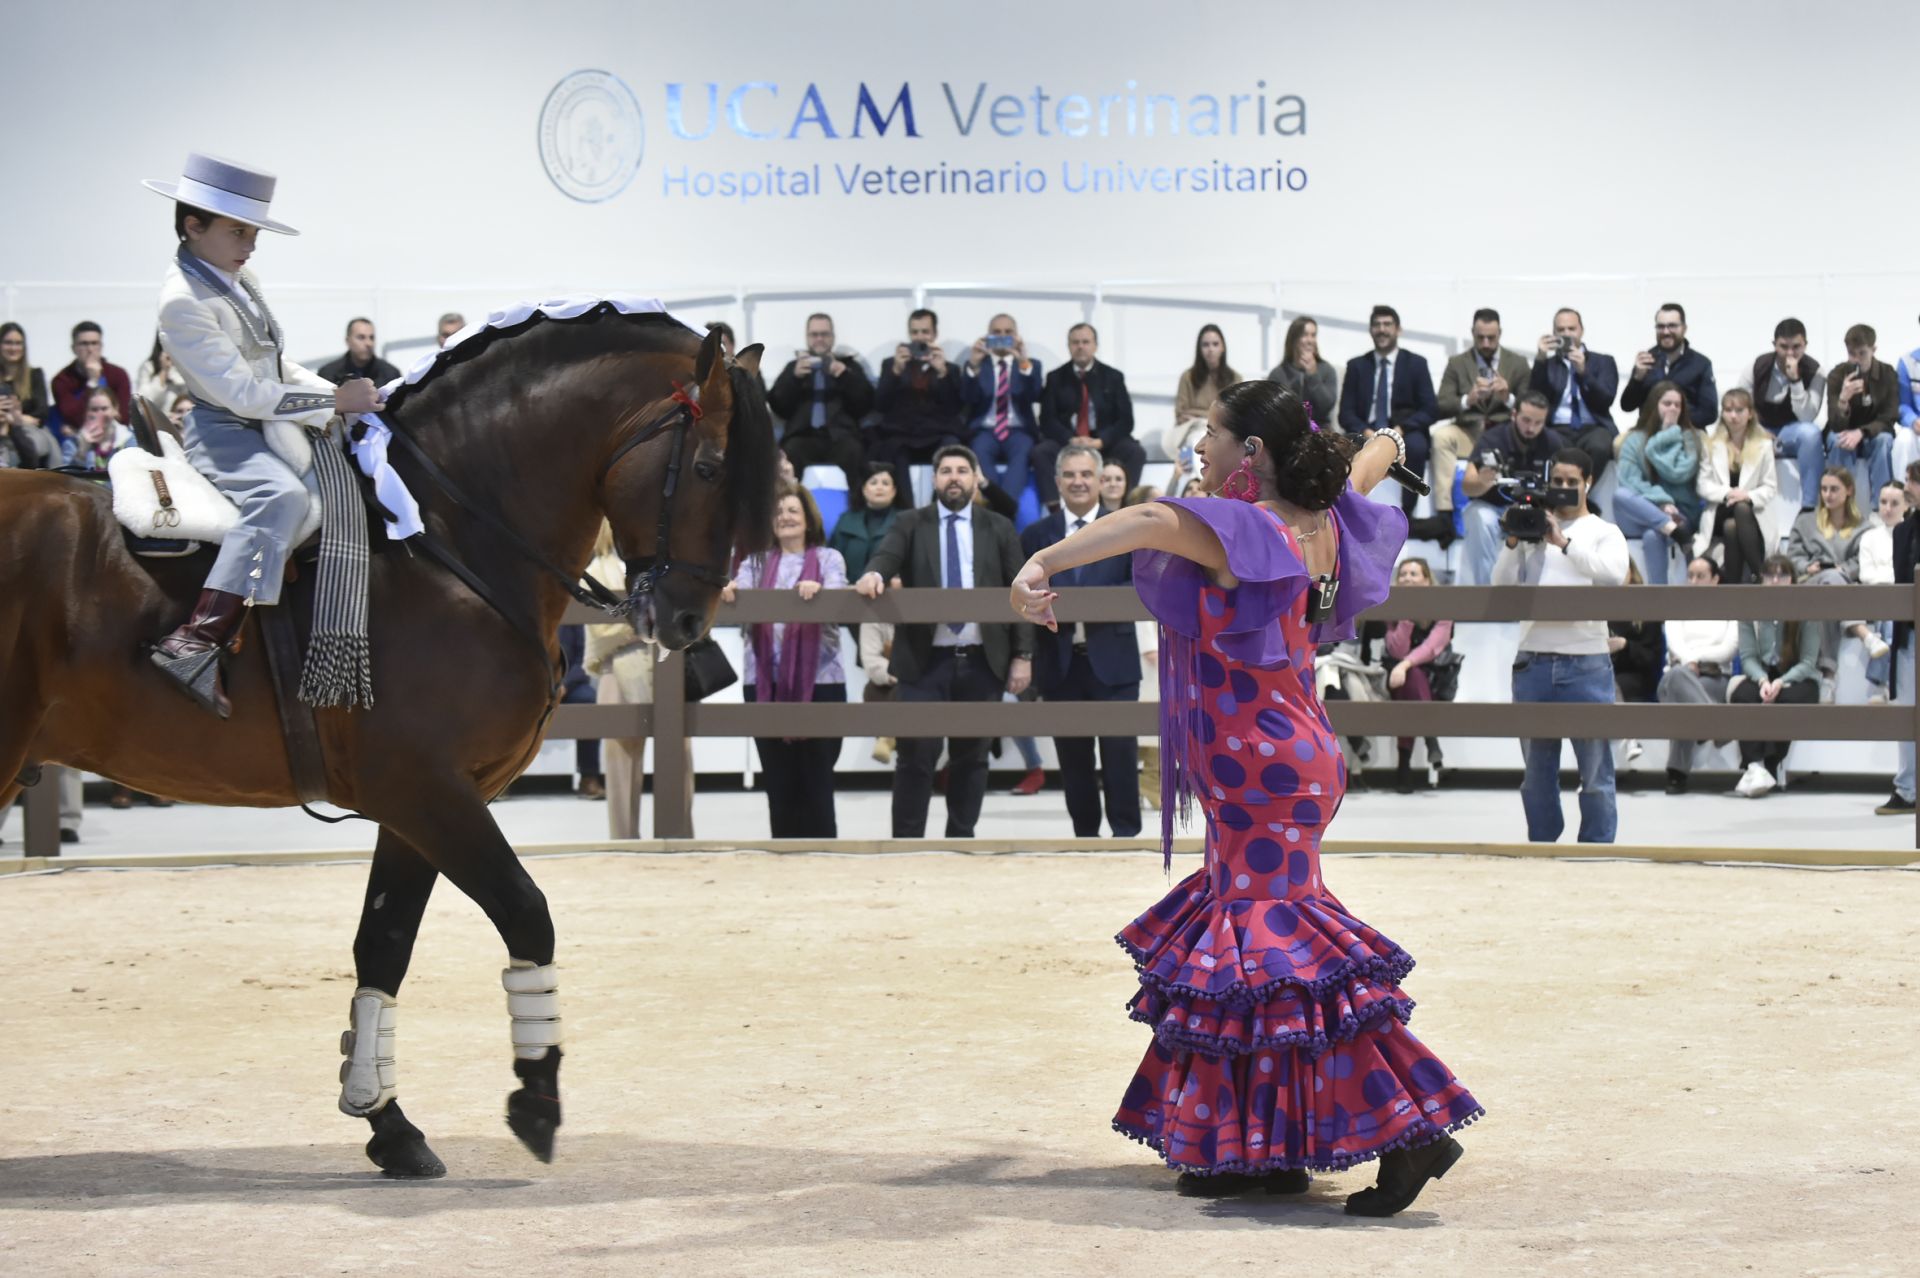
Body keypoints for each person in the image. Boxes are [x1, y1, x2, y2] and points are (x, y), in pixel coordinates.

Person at [1010, 380, 1481, 1216]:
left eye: (1213, 434)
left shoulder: (1252, 527)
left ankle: (1412, 1130)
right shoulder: (1322, 516)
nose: (1200, 447)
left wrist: (1040, 561)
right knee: (1253, 959)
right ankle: (1261, 1151)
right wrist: (1392, 444)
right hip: (1292, 756)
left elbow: (1148, 519)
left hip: (1259, 767)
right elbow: (1367, 463)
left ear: (1252, 451)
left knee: (1278, 956)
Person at [141, 153, 385, 717]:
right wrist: (333, 401)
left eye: (253, 232)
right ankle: (197, 639)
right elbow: (242, 393)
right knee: (283, 499)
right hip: (223, 431)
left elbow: (274, 365)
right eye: (238, 231)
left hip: (269, 421)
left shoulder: (237, 279)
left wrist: (340, 393)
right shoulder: (182, 301)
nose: (251, 244)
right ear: (192, 225)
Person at [854, 445, 1032, 839]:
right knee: (915, 755)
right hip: (923, 661)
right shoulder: (910, 522)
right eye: (946, 471)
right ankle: (906, 844)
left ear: (975, 479)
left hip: (983, 661)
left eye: (962, 470)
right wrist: (874, 574)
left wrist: (1023, 654)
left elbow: (1020, 589)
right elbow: (887, 556)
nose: (954, 477)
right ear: (934, 479)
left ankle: (961, 842)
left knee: (972, 758)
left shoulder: (998, 526)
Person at [1493, 446, 1631, 844]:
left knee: (1596, 771)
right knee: (1536, 774)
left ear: (1589, 483)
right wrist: (1515, 539)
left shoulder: (1604, 531)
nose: (1564, 488)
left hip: (1587, 660)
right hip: (1532, 661)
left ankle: (1596, 851)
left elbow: (1613, 575)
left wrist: (1563, 541)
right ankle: (1542, 847)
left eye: (1572, 481)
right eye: (1558, 481)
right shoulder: (1531, 531)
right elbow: (1501, 585)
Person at [1019, 444, 1141, 837]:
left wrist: (1083, 601)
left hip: (1115, 661)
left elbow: (1138, 586)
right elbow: (1021, 596)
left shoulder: (1126, 527)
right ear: (1057, 482)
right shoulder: (1036, 535)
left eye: (1086, 474)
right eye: (1070, 475)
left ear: (1100, 480)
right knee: (1073, 761)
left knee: (1120, 757)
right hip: (1060, 661)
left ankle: (1126, 838)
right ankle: (1085, 838)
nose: (1078, 482)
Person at [723, 483, 849, 839]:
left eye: (793, 510)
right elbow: (738, 592)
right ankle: (782, 853)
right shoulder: (753, 563)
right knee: (777, 779)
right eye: (778, 512)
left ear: (809, 519)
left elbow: (839, 599)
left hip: (821, 684)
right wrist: (731, 591)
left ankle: (824, 851)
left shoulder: (829, 559)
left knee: (818, 778)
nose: (785, 517)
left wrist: (821, 593)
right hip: (764, 683)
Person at [1729, 555, 1823, 798]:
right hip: (1763, 673)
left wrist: (1781, 682)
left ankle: (1769, 765)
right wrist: (1763, 680)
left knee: (1786, 701)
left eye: (1782, 575)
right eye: (1769, 575)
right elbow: (1748, 657)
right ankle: (1754, 766)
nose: (1774, 581)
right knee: (1743, 695)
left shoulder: (1807, 609)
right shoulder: (1750, 610)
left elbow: (1808, 662)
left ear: (1792, 579)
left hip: (1798, 676)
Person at [1430, 308, 1530, 536]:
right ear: (1472, 333)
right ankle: (1444, 512)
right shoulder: (1457, 363)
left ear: (1500, 333)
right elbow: (1441, 404)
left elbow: (1531, 404)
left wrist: (1508, 398)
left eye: (1491, 338)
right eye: (1480, 337)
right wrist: (1468, 399)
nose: (1485, 343)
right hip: (1469, 430)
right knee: (1441, 437)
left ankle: (1520, 506)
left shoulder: (1518, 363)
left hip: (1504, 434)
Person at [1458, 391, 1569, 585]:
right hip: (1495, 507)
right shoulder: (1492, 439)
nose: (1531, 428)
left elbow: (1564, 486)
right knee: (1478, 516)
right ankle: (1486, 590)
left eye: (1538, 423)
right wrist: (1483, 481)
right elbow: (1467, 487)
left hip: (1537, 510)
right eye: (1526, 420)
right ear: (1514, 414)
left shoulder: (1552, 442)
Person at [1337, 304, 1437, 512]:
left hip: (1404, 429)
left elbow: (1429, 408)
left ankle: (1408, 512)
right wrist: (1367, 432)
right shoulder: (1356, 366)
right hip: (1366, 429)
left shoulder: (1416, 364)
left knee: (1417, 446)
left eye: (1387, 324)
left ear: (1398, 329)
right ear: (1370, 330)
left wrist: (1399, 431)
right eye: (1377, 325)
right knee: (1341, 446)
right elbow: (1345, 413)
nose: (1382, 329)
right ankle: (1347, 508)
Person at [1035, 322, 1145, 508]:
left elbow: (1126, 421)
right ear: (1068, 346)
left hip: (1102, 442)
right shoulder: (1055, 377)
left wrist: (1101, 441)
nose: (1080, 346)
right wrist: (1070, 439)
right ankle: (1055, 509)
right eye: (1075, 342)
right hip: (1069, 441)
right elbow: (1047, 420)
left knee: (1135, 452)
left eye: (1085, 342)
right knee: (1041, 452)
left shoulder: (1113, 377)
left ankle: (1126, 506)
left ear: (1095, 345)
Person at [766, 312, 873, 494]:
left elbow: (865, 404)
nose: (819, 339)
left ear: (833, 337)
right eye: (814, 335)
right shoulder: (794, 367)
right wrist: (793, 379)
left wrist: (845, 377)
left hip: (841, 437)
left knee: (855, 452)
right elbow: (778, 407)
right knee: (788, 455)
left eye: (824, 334)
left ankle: (856, 508)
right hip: (802, 437)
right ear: (807, 338)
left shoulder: (849, 366)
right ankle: (787, 505)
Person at [1658, 556, 1738, 794]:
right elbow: (1674, 643)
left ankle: (1677, 774)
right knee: (1677, 678)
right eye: (1690, 576)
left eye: (1700, 576)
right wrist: (1688, 662)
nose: (1693, 581)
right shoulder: (1677, 606)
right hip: (1676, 674)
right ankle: (1714, 727)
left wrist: (1695, 658)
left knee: (1682, 703)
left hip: (1714, 677)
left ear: (1715, 579)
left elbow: (1729, 648)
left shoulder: (1730, 607)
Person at [1611, 381, 1704, 585]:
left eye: (1677, 405)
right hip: (1642, 514)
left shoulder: (1690, 438)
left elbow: (1679, 473)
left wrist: (1666, 435)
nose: (1673, 409)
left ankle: (1658, 598)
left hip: (1679, 514)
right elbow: (1630, 481)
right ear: (1654, 405)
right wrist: (1661, 502)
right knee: (1620, 495)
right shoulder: (1633, 440)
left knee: (1654, 535)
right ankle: (1674, 531)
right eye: (1667, 403)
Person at [1382, 557, 1454, 793]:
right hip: (1396, 678)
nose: (1407, 579)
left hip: (1435, 677)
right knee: (1410, 680)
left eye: (1413, 574)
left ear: (1426, 580)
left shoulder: (1442, 607)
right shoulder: (1391, 607)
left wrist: (1404, 665)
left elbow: (1433, 647)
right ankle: (1431, 741)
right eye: (1403, 574)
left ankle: (1404, 768)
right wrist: (1406, 618)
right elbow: (1396, 649)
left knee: (1413, 677)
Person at [1736, 318, 1824, 510]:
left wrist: (1796, 381)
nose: (1790, 353)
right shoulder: (1757, 366)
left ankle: (1810, 507)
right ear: (1774, 345)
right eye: (1784, 347)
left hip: (1792, 431)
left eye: (1796, 347)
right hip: (1759, 428)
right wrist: (1757, 430)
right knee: (1733, 432)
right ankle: (1739, 502)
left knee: (1811, 434)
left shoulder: (1815, 371)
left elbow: (1807, 417)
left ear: (1805, 345)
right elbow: (1738, 406)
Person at [1786, 466, 1866, 678]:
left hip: (1842, 584)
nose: (1828, 495)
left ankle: (1827, 672)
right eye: (1823, 489)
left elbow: (1863, 559)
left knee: (1833, 580)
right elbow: (1792, 557)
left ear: (1849, 490)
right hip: (1809, 582)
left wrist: (1844, 569)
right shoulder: (1805, 521)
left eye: (1834, 489)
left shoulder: (1863, 527)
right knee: (1830, 580)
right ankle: (1857, 627)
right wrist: (1806, 567)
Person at [1694, 388, 1780, 584]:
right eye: (1728, 410)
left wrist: (1747, 496)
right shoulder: (1711, 444)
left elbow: (1770, 487)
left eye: (1739, 410)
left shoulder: (1764, 445)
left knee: (1732, 526)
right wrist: (1729, 493)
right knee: (1737, 509)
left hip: (1751, 514)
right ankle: (1760, 575)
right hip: (1721, 508)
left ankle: (1734, 586)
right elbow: (1703, 485)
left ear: (1750, 413)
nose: (1733, 416)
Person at [1528, 307, 1620, 483]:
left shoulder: (1603, 361)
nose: (1566, 334)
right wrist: (1540, 359)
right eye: (1560, 330)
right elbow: (1535, 399)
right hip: (1557, 427)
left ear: (1581, 330)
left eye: (1571, 329)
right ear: (1554, 333)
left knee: (1600, 446)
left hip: (1593, 426)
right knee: (1549, 444)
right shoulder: (1548, 364)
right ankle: (1560, 491)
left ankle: (1582, 492)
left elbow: (1606, 400)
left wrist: (1584, 372)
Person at [961, 313, 1043, 503]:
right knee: (979, 451)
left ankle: (1002, 508)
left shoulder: (1030, 364)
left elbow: (1034, 395)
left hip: (1018, 430)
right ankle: (1000, 505)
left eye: (1008, 332)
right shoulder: (977, 364)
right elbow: (968, 398)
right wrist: (974, 365)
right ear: (987, 336)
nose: (1002, 336)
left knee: (1022, 454)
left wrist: (1023, 363)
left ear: (1016, 336)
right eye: (996, 332)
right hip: (985, 430)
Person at [870, 308, 964, 473]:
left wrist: (942, 373)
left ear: (935, 334)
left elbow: (953, 410)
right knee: (892, 449)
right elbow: (880, 406)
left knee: (951, 448)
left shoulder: (950, 369)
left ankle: (944, 491)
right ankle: (902, 492)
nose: (920, 337)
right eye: (915, 332)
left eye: (925, 332)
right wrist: (896, 372)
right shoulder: (891, 364)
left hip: (938, 432)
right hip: (901, 433)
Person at [1879, 460, 1920, 816]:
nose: (1908, 487)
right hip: (1909, 633)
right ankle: (1907, 789)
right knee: (1907, 712)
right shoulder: (1903, 531)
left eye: (1913, 481)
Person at [1823, 324, 1900, 508]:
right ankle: (1841, 507)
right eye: (1851, 353)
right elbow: (1835, 423)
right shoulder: (1837, 375)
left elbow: (1890, 416)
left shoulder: (1887, 374)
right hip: (1845, 431)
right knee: (1837, 440)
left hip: (1873, 433)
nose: (1856, 359)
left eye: (1862, 353)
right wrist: (1843, 399)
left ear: (1873, 350)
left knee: (1884, 441)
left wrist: (1862, 432)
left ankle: (1881, 507)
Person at [1162, 323, 1238, 489]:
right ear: (1199, 349)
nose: (1210, 349)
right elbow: (1181, 413)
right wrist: (1212, 415)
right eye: (1205, 345)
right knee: (1199, 437)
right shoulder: (1188, 377)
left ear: (1223, 347)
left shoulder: (1234, 378)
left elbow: (1235, 414)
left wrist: (1198, 413)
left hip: (1223, 431)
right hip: (1193, 430)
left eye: (1215, 344)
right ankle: (1201, 487)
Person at [1622, 302, 1717, 427]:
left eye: (1672, 326)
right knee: (1623, 439)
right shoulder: (1646, 360)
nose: (1666, 332)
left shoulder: (1701, 364)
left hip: (1688, 429)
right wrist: (1637, 380)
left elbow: (1710, 413)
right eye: (1660, 327)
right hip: (1648, 430)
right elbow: (1627, 406)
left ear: (1684, 328)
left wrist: (1674, 420)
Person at [1607, 562, 1663, 765]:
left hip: (1636, 676)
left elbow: (1651, 658)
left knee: (1612, 684)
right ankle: (1629, 737)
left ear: (1631, 573)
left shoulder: (1647, 609)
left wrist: (1625, 645)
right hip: (1603, 673)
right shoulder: (1598, 605)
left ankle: (1629, 736)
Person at [827, 462, 907, 581]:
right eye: (873, 483)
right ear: (864, 489)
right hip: (848, 588)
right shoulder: (846, 521)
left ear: (894, 490)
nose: (879, 487)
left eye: (885, 483)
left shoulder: (906, 521)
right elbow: (832, 559)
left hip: (891, 589)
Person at [51, 321, 133, 436]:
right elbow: (74, 419)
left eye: (94, 343)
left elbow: (124, 418)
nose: (90, 349)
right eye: (84, 344)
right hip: (79, 437)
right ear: (73, 348)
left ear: (101, 346)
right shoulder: (62, 380)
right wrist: (92, 382)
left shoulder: (118, 375)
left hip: (114, 436)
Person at [1266, 315, 1338, 430]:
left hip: (1320, 431)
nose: (1310, 340)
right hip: (1288, 431)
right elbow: (1273, 410)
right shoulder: (1278, 373)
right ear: (1293, 339)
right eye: (1305, 335)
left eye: (1313, 335)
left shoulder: (1327, 370)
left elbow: (1327, 407)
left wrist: (1313, 375)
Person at [556, 626, 604, 799]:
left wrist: (564, 685)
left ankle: (589, 776)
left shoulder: (574, 622)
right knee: (509, 704)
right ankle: (504, 778)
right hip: (535, 683)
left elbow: (583, 659)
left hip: (569, 684)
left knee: (588, 702)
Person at [63, 386, 134, 470]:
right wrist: (82, 452)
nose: (100, 414)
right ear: (86, 412)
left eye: (104, 409)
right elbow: (65, 476)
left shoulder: (129, 439)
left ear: (115, 409)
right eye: (94, 409)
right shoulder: (73, 443)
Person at [317, 317, 402, 387]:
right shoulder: (327, 375)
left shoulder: (391, 375)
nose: (369, 343)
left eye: (371, 338)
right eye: (361, 337)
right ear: (348, 341)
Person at [0, 322, 51, 427]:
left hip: (28, 430)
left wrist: (15, 418)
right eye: (8, 343)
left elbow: (42, 413)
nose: (13, 348)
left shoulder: (35, 375)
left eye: (18, 343)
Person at [0, 387, 58, 469]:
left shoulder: (29, 434)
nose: (7, 412)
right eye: (4, 407)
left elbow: (31, 462)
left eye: (15, 408)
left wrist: (14, 428)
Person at [135, 329, 190, 415]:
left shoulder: (188, 364)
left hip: (184, 418)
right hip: (158, 419)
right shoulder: (149, 367)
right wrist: (164, 371)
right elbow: (142, 401)